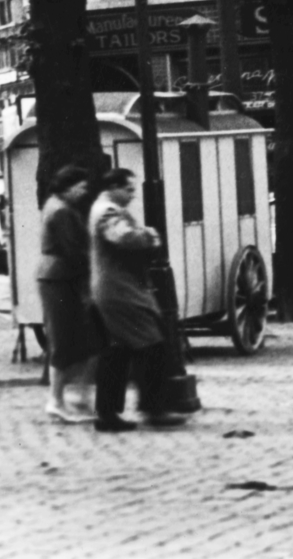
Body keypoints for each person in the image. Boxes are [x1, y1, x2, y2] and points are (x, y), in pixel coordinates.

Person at [88, 168, 180, 432]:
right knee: (152, 344)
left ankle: (109, 413)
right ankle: (152, 409)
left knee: (119, 351)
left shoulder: (103, 208)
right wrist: (149, 236)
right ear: (113, 187)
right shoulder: (107, 211)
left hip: (116, 290)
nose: (132, 195)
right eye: (128, 190)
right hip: (120, 291)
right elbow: (123, 237)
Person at [36, 164, 98, 423]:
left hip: (56, 277)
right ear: (68, 186)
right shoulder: (62, 211)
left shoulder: (55, 205)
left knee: (70, 339)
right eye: (81, 187)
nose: (84, 192)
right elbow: (74, 250)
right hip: (60, 278)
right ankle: (57, 400)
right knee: (63, 339)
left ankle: (74, 398)